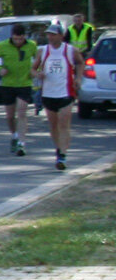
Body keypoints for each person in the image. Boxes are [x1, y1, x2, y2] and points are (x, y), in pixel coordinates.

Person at [36, 23, 84, 171]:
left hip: (66, 92)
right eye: (48, 34)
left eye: (53, 34)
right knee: (53, 124)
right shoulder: (42, 51)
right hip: (48, 93)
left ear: (61, 36)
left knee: (64, 123)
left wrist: (78, 78)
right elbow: (32, 68)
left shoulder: (70, 50)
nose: (50, 37)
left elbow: (81, 63)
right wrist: (37, 74)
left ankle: (62, 155)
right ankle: (59, 149)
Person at [0, 23, 38, 157]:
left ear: (24, 37)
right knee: (10, 116)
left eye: (20, 39)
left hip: (24, 83)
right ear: (12, 37)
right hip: (8, 84)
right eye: (16, 39)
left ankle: (22, 142)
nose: (18, 42)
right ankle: (14, 135)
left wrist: (35, 71)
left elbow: (39, 60)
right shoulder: (3, 45)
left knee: (22, 112)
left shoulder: (31, 45)